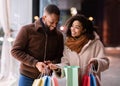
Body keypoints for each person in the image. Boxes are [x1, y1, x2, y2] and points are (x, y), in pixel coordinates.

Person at [48, 14, 109, 86]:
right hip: (73, 83)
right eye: (72, 26)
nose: (72, 29)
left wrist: (96, 62)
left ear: (84, 30)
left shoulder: (95, 43)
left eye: (77, 27)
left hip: (90, 83)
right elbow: (66, 63)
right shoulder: (68, 44)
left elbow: (105, 62)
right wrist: (57, 67)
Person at [11, 4, 64, 86]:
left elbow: (60, 57)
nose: (54, 26)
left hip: (48, 78)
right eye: (51, 22)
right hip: (27, 77)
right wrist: (35, 63)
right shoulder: (26, 30)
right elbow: (15, 51)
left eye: (56, 23)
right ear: (44, 17)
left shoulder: (59, 36)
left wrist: (52, 63)